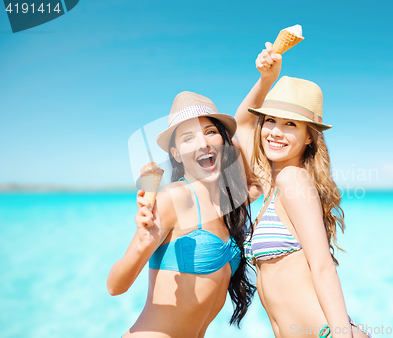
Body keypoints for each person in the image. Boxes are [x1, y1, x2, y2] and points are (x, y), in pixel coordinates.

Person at [234, 43, 372, 338]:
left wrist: (342, 334)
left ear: (309, 136)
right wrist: (266, 79)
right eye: (270, 120)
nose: (275, 132)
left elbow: (322, 266)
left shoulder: (292, 179)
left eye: (290, 124)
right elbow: (241, 123)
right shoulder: (271, 185)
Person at [107, 91, 255, 337]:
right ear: (176, 154)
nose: (203, 144)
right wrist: (144, 242)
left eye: (210, 132)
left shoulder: (228, 204)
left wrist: (266, 80)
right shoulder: (174, 197)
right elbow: (114, 286)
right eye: (188, 138)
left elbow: (256, 171)